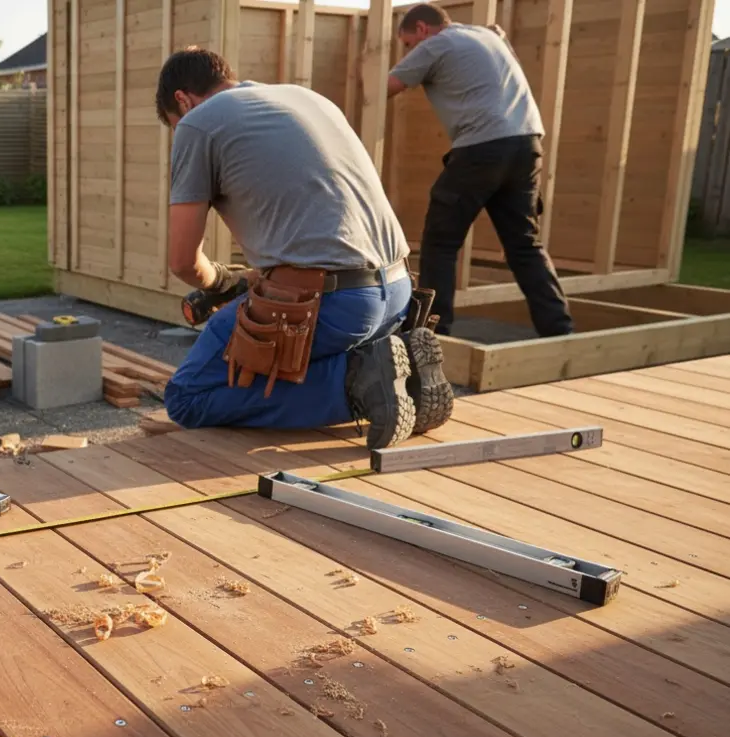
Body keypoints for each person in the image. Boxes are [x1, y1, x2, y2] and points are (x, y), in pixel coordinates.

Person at [157, 47, 452, 449]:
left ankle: (360, 385)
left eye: (174, 124)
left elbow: (183, 262)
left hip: (331, 305)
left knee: (187, 397)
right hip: (398, 294)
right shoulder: (309, 99)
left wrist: (221, 280)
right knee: (266, 363)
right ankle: (402, 376)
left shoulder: (197, 124)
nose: (180, 132)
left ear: (182, 100)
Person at [387, 3, 573, 338]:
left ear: (422, 30)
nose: (410, 52)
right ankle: (559, 331)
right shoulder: (487, 36)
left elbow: (384, 87)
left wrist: (362, 69)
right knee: (524, 244)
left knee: (440, 243)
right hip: (527, 146)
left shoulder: (436, 44)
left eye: (407, 44)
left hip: (482, 148)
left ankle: (432, 334)